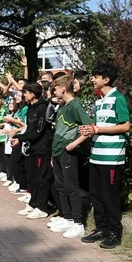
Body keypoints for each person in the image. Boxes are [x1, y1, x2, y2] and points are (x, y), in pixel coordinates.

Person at [81, 62, 131, 249]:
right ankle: (101, 228)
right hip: (97, 155)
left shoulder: (118, 98)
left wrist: (99, 129)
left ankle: (114, 232)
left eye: (96, 76)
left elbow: (126, 125)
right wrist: (91, 130)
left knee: (109, 195)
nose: (92, 79)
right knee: (96, 194)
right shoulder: (99, 100)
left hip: (111, 156)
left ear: (106, 79)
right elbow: (99, 127)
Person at [48, 75, 94, 239]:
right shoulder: (63, 106)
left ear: (62, 89)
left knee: (71, 187)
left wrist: (74, 144)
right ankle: (67, 217)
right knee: (60, 186)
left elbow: (89, 127)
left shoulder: (75, 105)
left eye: (55, 88)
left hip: (68, 153)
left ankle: (78, 223)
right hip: (58, 152)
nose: (53, 91)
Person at [15, 82, 54, 220]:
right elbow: (29, 128)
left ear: (33, 93)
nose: (24, 95)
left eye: (26, 92)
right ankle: (33, 203)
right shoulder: (30, 108)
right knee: (31, 178)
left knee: (41, 179)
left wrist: (20, 139)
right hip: (31, 149)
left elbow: (39, 130)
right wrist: (21, 138)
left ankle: (41, 207)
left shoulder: (43, 108)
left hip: (42, 149)